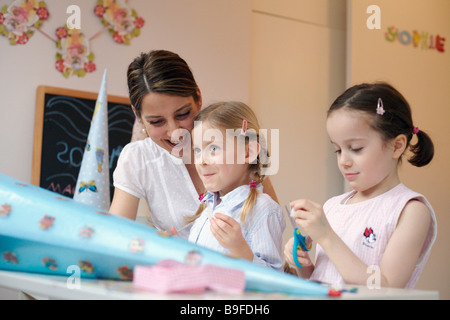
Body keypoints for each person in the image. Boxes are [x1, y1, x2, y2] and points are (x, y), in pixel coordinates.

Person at [109, 50, 278, 239]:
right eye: (157, 122)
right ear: (138, 115)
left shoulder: (234, 146)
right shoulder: (138, 157)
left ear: (198, 98)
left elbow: (271, 236)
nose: (175, 132)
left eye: (182, 115)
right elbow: (115, 235)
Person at [284, 82, 437, 288]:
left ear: (397, 146)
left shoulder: (410, 210)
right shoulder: (332, 207)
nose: (343, 161)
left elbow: (386, 285)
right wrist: (303, 265)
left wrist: (327, 237)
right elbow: (326, 282)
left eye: (356, 148)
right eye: (338, 150)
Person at [185, 101, 285, 270]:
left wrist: (241, 250)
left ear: (248, 152)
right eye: (197, 151)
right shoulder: (207, 207)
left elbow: (273, 279)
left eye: (213, 148)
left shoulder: (262, 209)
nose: (201, 160)